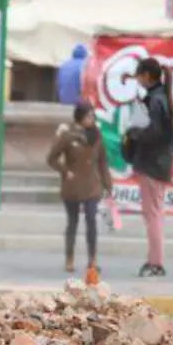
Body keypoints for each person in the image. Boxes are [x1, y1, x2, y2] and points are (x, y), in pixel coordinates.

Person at [122, 57, 173, 278]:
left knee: (152, 214)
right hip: (159, 163)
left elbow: (154, 132)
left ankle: (156, 262)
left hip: (152, 164)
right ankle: (155, 259)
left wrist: (134, 133)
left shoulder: (155, 100)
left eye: (139, 75)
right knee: (154, 212)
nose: (137, 79)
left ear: (146, 76)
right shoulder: (162, 98)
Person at [47, 102, 113, 274]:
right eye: (88, 116)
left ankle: (92, 259)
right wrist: (65, 171)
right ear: (80, 117)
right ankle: (69, 259)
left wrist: (108, 184)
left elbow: (102, 163)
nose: (92, 119)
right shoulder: (68, 136)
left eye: (93, 116)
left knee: (91, 221)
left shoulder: (97, 137)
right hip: (73, 185)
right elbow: (51, 158)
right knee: (73, 222)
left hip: (92, 185)